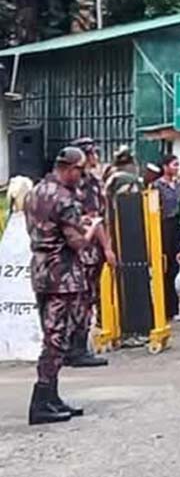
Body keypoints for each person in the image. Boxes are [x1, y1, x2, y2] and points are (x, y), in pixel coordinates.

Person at [26, 147, 108, 425]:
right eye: (79, 171)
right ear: (69, 168)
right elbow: (77, 242)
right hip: (62, 275)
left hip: (41, 270)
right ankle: (42, 399)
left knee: (52, 334)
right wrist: (92, 227)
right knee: (57, 338)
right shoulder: (64, 199)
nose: (82, 176)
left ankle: (51, 397)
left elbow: (45, 227)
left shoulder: (36, 191)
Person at [67, 137, 108, 368]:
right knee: (86, 298)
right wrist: (108, 247)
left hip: (73, 249)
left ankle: (71, 346)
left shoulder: (67, 183)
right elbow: (95, 219)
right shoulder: (88, 183)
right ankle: (78, 349)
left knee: (75, 298)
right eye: (93, 153)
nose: (96, 157)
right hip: (89, 248)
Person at [155, 153, 180, 321]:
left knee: (175, 266)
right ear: (165, 167)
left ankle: (174, 308)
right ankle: (164, 307)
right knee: (164, 267)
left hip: (177, 226)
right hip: (163, 225)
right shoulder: (157, 186)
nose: (176, 168)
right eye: (174, 164)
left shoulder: (179, 185)